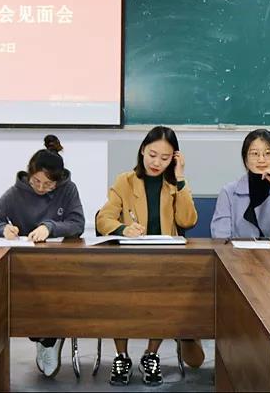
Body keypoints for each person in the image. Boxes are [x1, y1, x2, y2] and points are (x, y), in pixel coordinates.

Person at [96, 126, 198, 386]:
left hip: (164, 261)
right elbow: (103, 218)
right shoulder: (125, 181)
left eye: (165, 158)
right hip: (128, 261)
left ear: (174, 158)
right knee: (118, 296)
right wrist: (124, 229)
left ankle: (151, 355)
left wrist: (180, 179)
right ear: (142, 150)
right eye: (152, 155)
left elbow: (188, 220)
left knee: (164, 298)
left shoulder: (174, 185)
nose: (156, 163)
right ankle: (122, 357)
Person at [0, 135, 85, 378]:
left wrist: (50, 227)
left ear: (58, 181)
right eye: (36, 181)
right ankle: (46, 338)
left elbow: (77, 223)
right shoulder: (16, 192)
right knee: (23, 304)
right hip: (25, 266)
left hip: (59, 265)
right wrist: (2, 229)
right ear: (29, 174)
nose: (40, 188)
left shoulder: (68, 190)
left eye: (48, 185)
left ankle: (50, 339)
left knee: (55, 298)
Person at [210, 129, 270, 240]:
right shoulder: (228, 193)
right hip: (237, 251)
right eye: (254, 154)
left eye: (268, 153)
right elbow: (220, 237)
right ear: (245, 160)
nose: (261, 159)